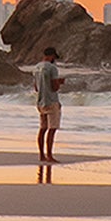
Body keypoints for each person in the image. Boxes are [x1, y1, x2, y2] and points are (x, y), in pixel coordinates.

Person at [33, 46, 62, 182]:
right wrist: (60, 83)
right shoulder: (52, 68)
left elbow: (36, 87)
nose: (54, 60)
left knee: (43, 129)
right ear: (51, 56)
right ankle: (50, 155)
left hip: (40, 102)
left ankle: (42, 155)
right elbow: (54, 86)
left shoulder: (36, 68)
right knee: (52, 129)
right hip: (51, 101)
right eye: (54, 58)